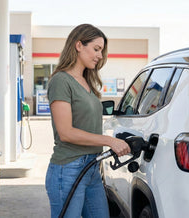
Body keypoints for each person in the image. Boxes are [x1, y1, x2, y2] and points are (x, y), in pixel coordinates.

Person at [45, 24, 131, 218]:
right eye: (96, 49)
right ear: (78, 45)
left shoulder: (87, 82)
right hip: (68, 168)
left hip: (91, 167)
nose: (100, 56)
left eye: (101, 51)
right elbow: (66, 132)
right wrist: (110, 141)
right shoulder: (61, 81)